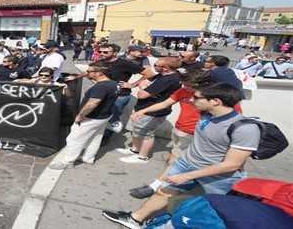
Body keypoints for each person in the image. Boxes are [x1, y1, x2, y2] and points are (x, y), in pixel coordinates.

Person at [103, 83, 260, 229]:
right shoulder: (206, 114)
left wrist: (188, 176)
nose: (192, 100)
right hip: (187, 164)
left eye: (197, 98)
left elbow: (232, 165)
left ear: (216, 101)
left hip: (220, 177)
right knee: (163, 191)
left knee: (215, 211)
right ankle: (135, 219)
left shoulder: (245, 128)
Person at [126, 70, 213, 199]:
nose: (186, 87)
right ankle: (169, 185)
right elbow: (165, 103)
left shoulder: (213, 96)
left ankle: (156, 186)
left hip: (194, 134)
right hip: (179, 130)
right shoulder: (183, 92)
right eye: (185, 84)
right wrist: (143, 111)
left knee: (175, 162)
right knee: (174, 160)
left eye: (189, 85)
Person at [49, 62, 117, 169]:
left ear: (99, 73)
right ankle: (88, 158)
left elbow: (92, 103)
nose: (87, 73)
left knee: (74, 138)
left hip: (91, 117)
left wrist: (81, 115)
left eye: (89, 71)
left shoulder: (101, 87)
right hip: (103, 116)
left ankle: (68, 162)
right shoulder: (113, 83)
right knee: (95, 137)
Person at [118, 57, 182, 164]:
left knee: (146, 133)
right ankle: (135, 150)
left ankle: (142, 157)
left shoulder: (167, 80)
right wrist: (132, 85)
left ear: (166, 68)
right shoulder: (165, 75)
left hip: (152, 111)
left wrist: (142, 87)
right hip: (146, 108)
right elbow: (149, 78)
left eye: (156, 65)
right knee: (138, 130)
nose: (154, 67)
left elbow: (142, 95)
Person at [96, 44, 155, 136]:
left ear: (115, 53)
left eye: (105, 52)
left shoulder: (124, 63)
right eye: (100, 52)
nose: (101, 54)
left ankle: (106, 137)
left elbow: (149, 73)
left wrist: (132, 84)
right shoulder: (101, 62)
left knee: (112, 118)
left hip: (120, 96)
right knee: (101, 115)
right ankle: (100, 135)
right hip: (104, 94)